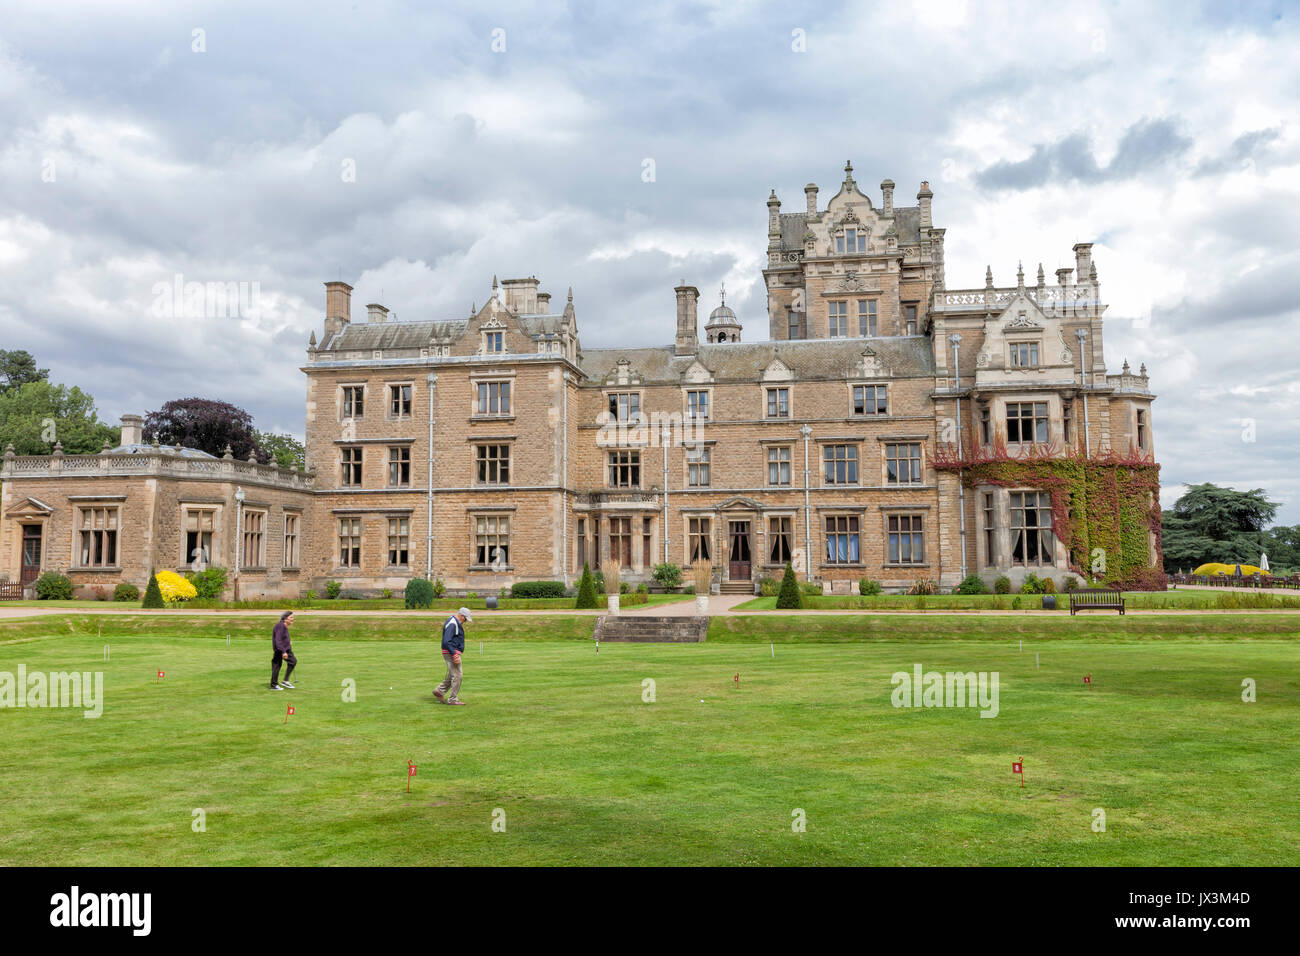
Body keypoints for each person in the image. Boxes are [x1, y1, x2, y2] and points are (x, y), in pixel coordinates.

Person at [433, 606, 471, 705]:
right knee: (458, 675)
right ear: (462, 616)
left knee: (453, 674)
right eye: (466, 619)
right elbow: (446, 640)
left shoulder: (453, 621)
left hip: (451, 652)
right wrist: (454, 654)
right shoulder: (453, 623)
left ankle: (439, 691)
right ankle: (453, 699)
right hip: (451, 652)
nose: (466, 621)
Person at [270, 610, 297, 690]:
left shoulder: (284, 626)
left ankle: (285, 681)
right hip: (280, 650)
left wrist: (288, 641)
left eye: (293, 617)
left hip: (286, 648)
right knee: (276, 666)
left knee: (293, 661)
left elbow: (283, 637)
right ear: (285, 619)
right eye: (291, 617)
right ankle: (274, 685)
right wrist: (283, 652)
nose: (293, 619)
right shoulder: (280, 626)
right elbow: (278, 640)